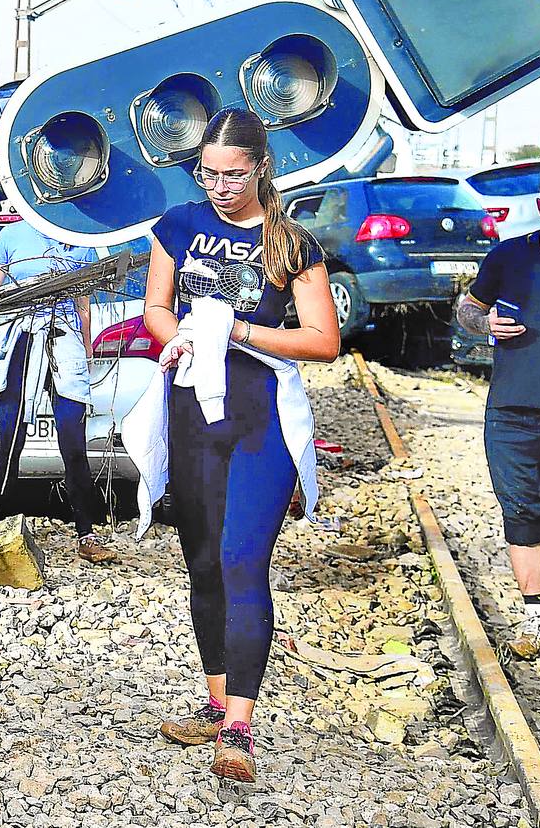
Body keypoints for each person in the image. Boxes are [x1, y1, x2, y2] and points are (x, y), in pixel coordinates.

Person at [141, 108, 340, 783]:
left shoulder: (292, 244)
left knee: (240, 561)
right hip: (193, 411)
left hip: (261, 420)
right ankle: (217, 698)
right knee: (201, 561)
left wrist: (240, 334)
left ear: (261, 166)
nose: (221, 187)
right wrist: (179, 337)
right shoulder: (178, 227)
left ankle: (241, 729)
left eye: (233, 174)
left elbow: (323, 340)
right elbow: (156, 307)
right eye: (208, 174)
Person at [0, 219, 116, 563]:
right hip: (23, 335)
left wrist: (85, 347)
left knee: (73, 439)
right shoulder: (12, 234)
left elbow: (83, 302)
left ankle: (86, 533)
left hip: (63, 336)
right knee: (10, 435)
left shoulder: (81, 236)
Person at [455, 171, 540, 657]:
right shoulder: (510, 255)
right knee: (523, 512)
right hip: (512, 413)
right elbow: (467, 311)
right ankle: (538, 619)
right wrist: (484, 322)